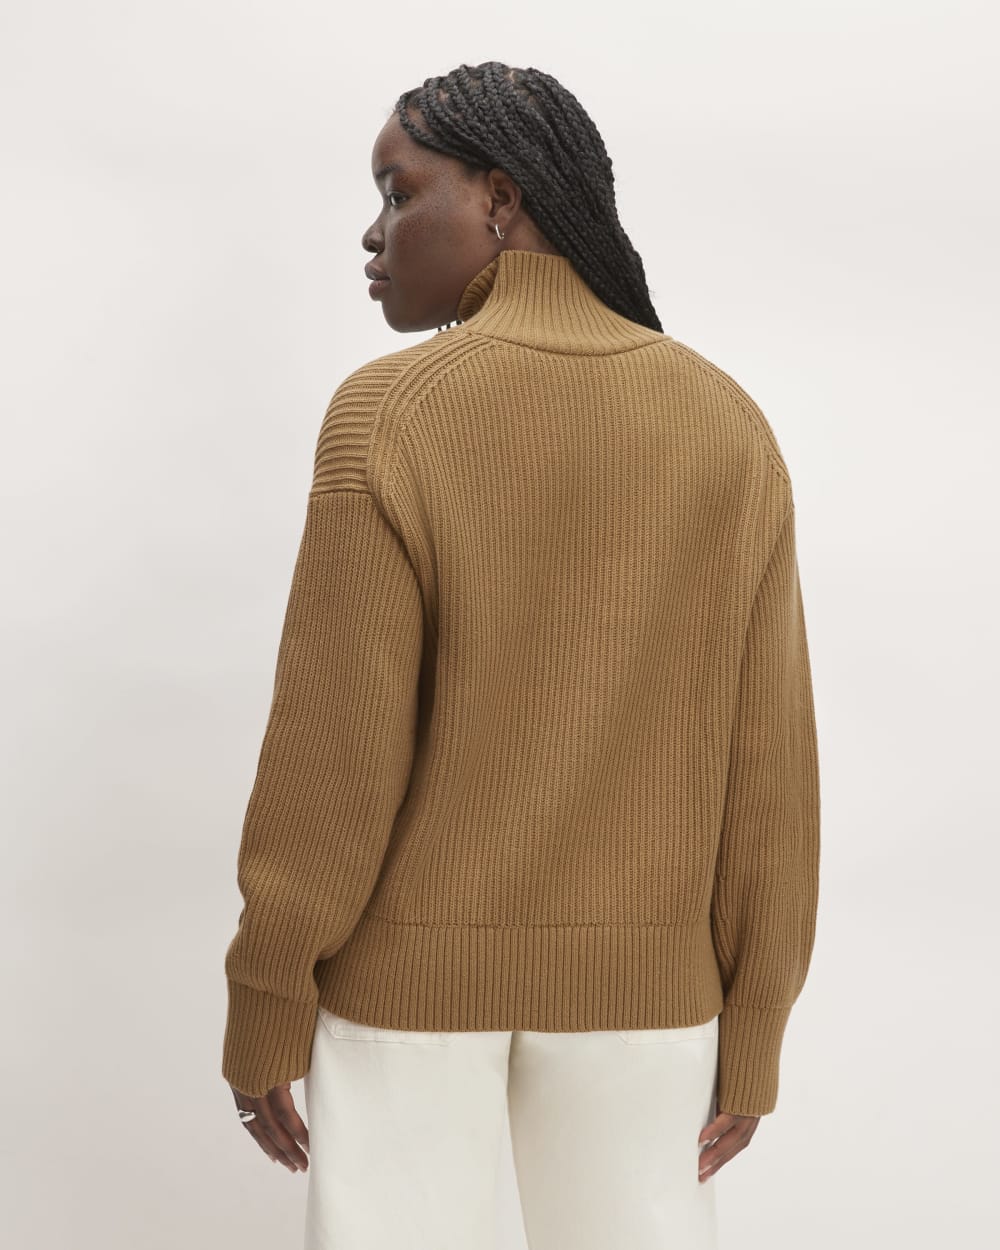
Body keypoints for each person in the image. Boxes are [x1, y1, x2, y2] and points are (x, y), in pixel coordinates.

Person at [221, 61, 821, 1250]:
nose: (374, 232)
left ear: (500, 199)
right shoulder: (723, 421)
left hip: (403, 995)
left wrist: (268, 990)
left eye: (399, 192)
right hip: (651, 999)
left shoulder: (390, 413)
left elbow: (332, 759)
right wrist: (753, 1019)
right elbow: (770, 770)